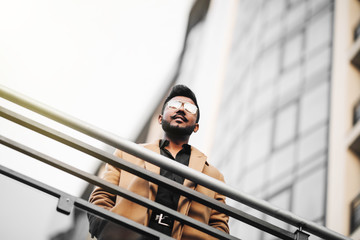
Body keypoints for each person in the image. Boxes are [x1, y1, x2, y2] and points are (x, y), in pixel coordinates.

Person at [88, 84, 229, 240]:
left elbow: (219, 227)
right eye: (174, 105)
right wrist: (104, 228)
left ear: (196, 127)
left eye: (190, 108)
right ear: (160, 119)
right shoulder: (127, 154)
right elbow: (102, 196)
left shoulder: (214, 177)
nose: (181, 109)